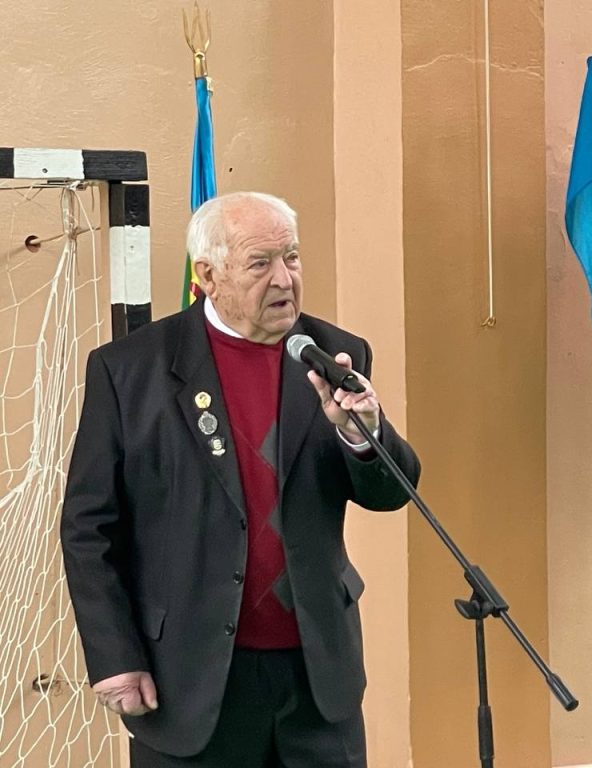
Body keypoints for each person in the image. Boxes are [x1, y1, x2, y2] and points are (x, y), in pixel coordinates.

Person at [61, 191, 420, 767]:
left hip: (316, 678)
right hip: (187, 680)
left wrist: (364, 433)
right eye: (260, 263)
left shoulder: (336, 354)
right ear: (208, 275)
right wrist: (114, 655)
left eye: (292, 257)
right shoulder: (129, 369)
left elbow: (389, 494)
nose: (284, 278)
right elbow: (88, 528)